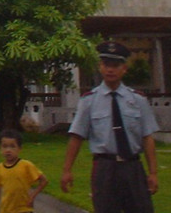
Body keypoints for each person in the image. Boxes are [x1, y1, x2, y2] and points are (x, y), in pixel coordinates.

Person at [61, 41, 160, 213]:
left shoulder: (137, 100)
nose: (110, 70)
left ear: (124, 69)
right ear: (100, 67)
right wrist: (67, 170)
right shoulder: (89, 101)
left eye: (115, 65)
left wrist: (153, 173)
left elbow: (147, 137)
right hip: (105, 168)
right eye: (106, 65)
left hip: (132, 167)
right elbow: (76, 137)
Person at [0, 129, 48, 213]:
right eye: (5, 146)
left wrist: (32, 197)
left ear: (19, 149)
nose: (8, 150)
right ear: (0, 148)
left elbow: (44, 181)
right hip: (6, 209)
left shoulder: (26, 165)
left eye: (12, 146)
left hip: (24, 209)